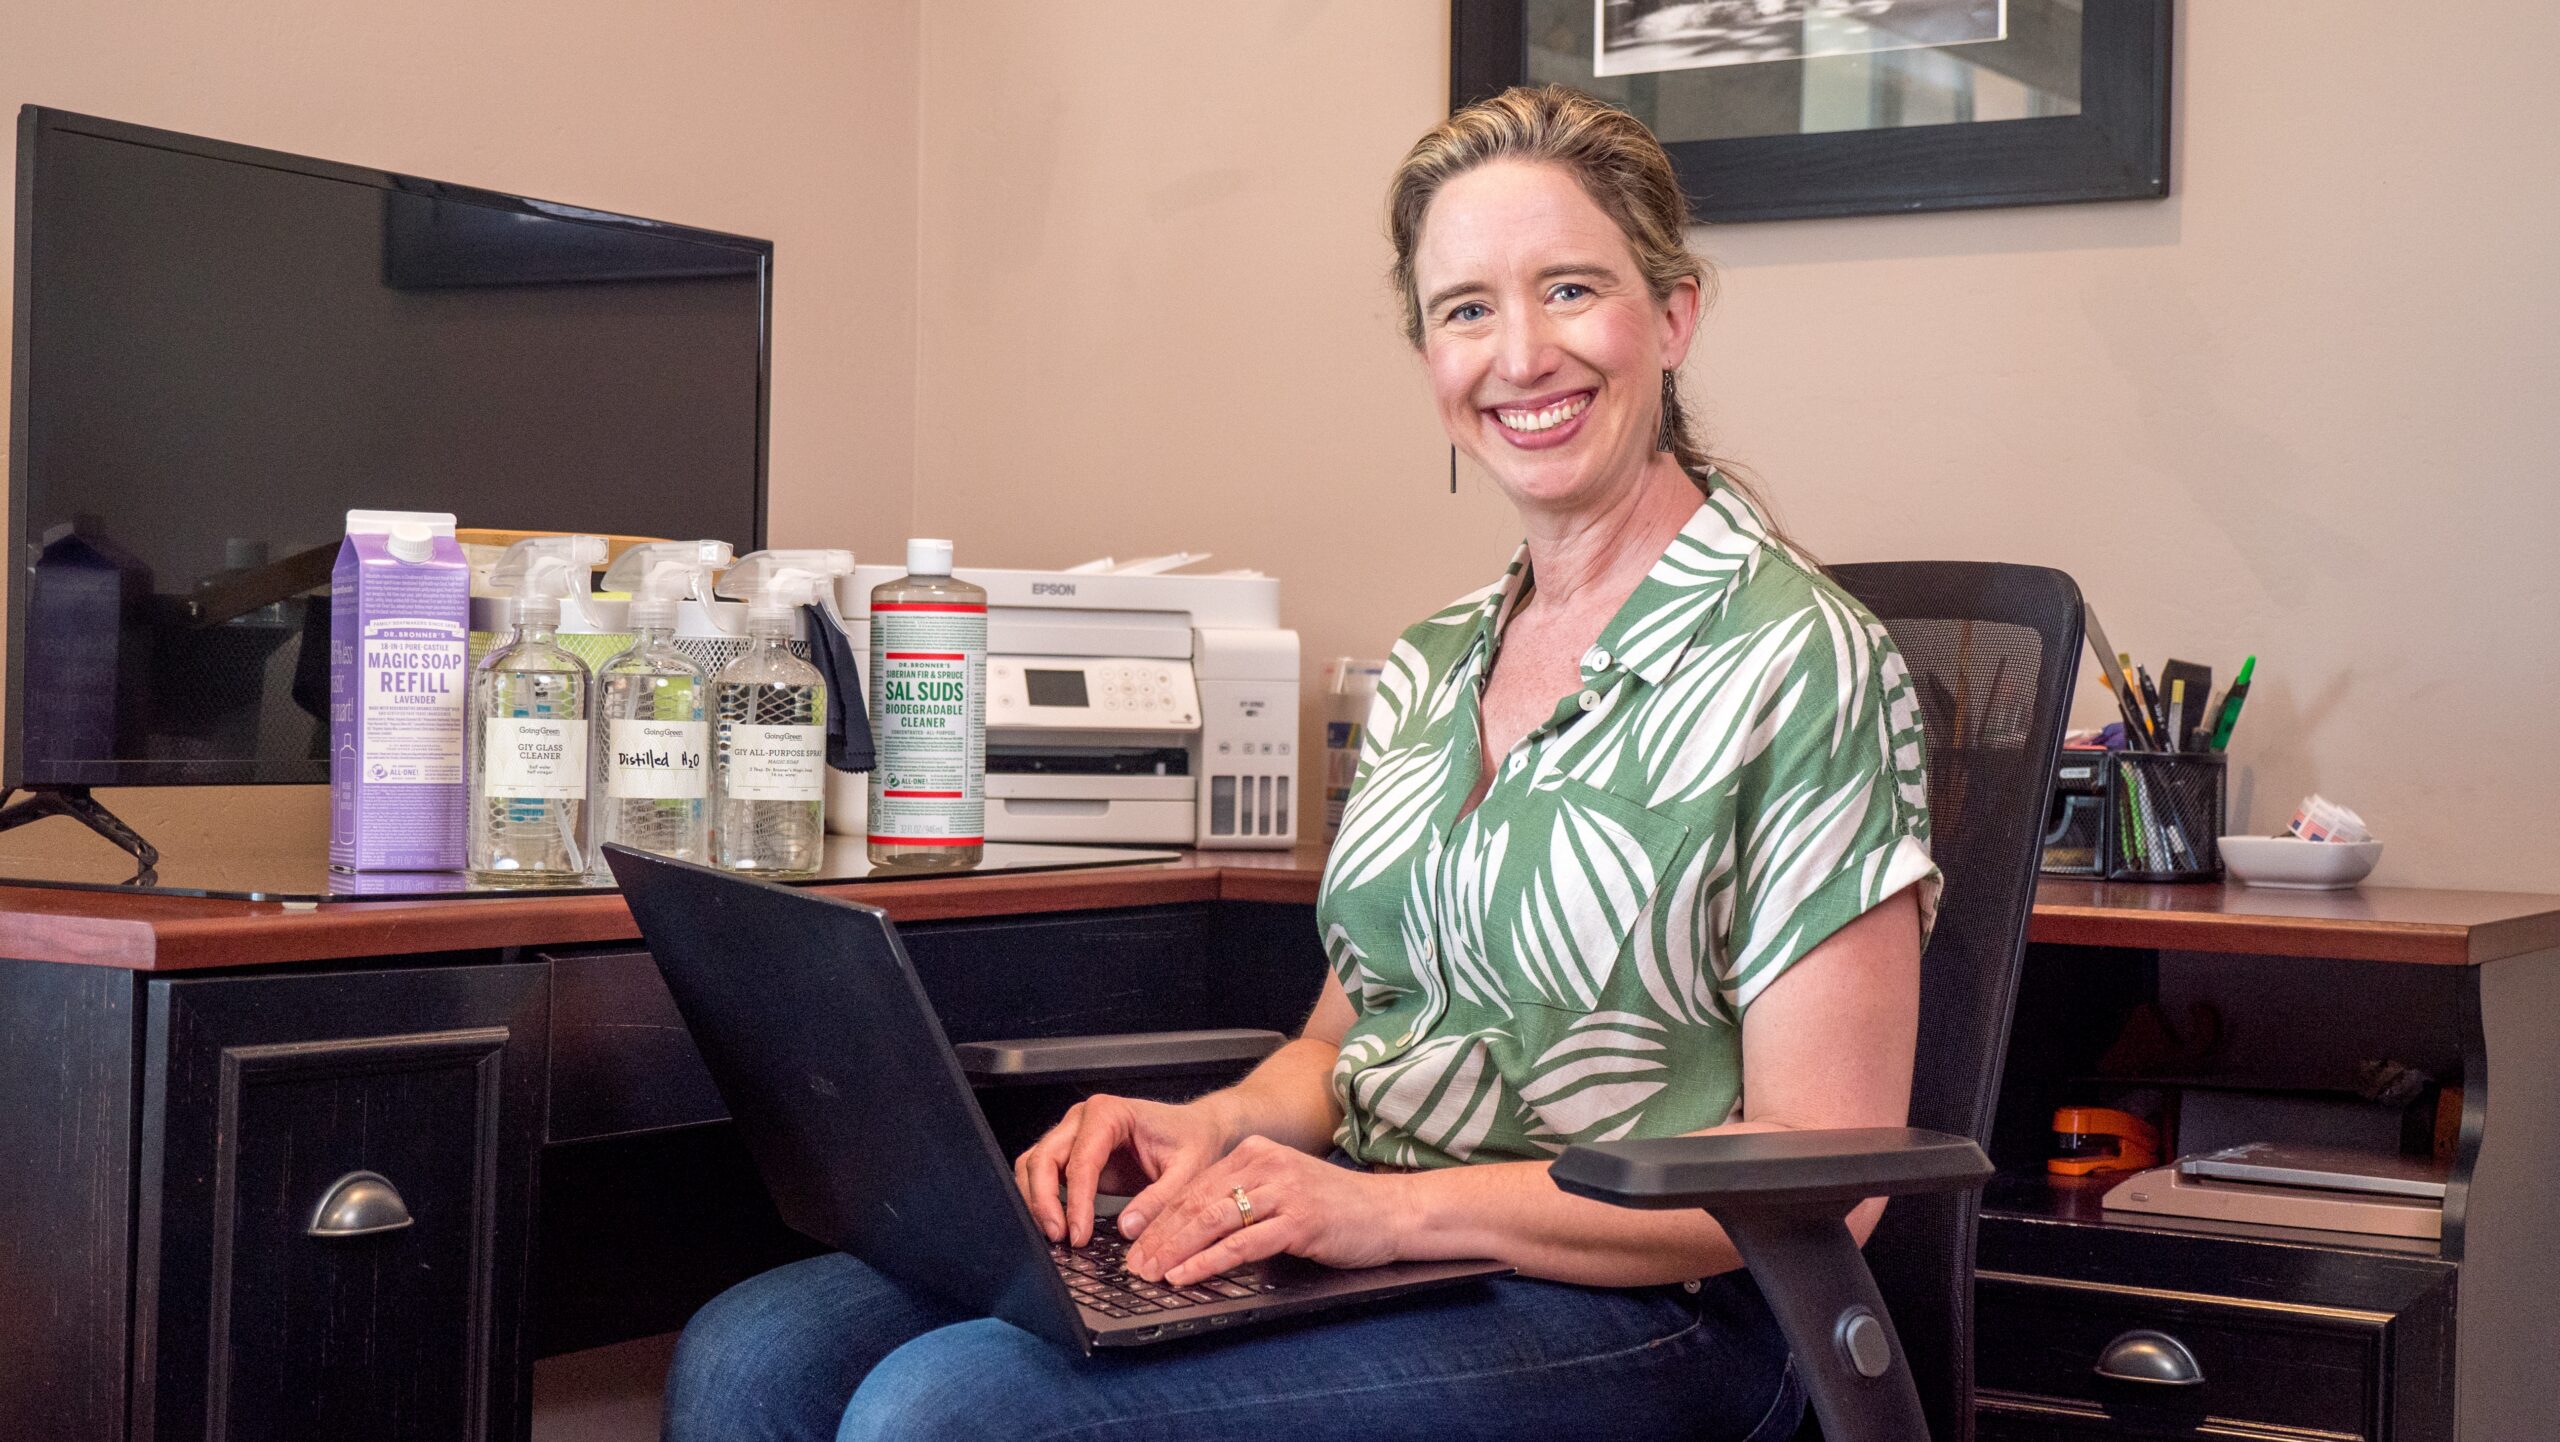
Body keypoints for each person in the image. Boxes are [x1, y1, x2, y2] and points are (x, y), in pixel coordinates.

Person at [662, 83, 1937, 1442]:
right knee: (757, 1355)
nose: (1520, 354)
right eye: (1466, 309)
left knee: (954, 1413)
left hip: (1660, 1313)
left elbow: (1822, 1175)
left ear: (1673, 313)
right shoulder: (1438, 658)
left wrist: (1390, 1209)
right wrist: (1214, 1123)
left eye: (1571, 289)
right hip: (1387, 1243)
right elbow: (1350, 1041)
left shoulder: (1804, 660)